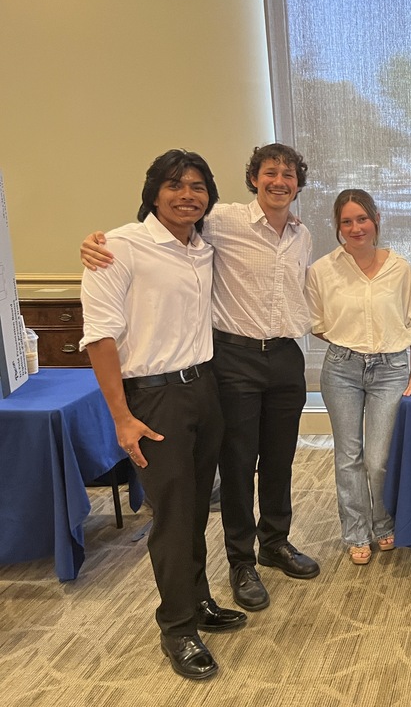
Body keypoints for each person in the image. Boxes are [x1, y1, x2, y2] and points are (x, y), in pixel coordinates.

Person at [81, 143, 320, 613]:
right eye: (269, 172)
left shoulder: (302, 234)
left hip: (286, 356)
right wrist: (93, 243)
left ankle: (276, 541)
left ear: (298, 184)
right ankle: (241, 561)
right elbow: (155, 234)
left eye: (288, 174)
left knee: (279, 458)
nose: (279, 181)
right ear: (253, 178)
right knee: (236, 464)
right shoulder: (220, 219)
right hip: (233, 357)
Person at [80, 150, 246, 680]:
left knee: (197, 507)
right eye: (175, 185)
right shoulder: (117, 247)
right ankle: (176, 628)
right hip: (154, 399)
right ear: (154, 192)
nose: (187, 195)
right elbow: (99, 337)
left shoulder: (201, 248)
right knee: (172, 517)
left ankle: (197, 600)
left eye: (198, 186)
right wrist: (121, 417)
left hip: (203, 389)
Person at [305, 189, 411, 565]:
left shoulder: (399, 267)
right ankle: (356, 531)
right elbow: (317, 324)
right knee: (348, 455)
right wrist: (351, 342)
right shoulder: (322, 270)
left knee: (378, 458)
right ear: (337, 226)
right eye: (346, 221)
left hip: (391, 369)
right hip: (341, 368)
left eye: (362, 219)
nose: (355, 227)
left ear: (376, 220)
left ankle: (383, 522)